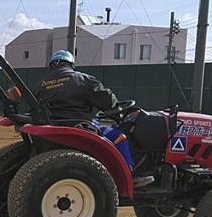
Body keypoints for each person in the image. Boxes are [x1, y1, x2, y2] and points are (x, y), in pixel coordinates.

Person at [33, 49, 154, 188]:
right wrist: (115, 106)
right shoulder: (82, 79)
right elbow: (107, 100)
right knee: (119, 135)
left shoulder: (40, 85)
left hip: (55, 126)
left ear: (52, 65)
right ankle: (131, 176)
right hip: (79, 125)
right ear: (71, 64)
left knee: (97, 123)